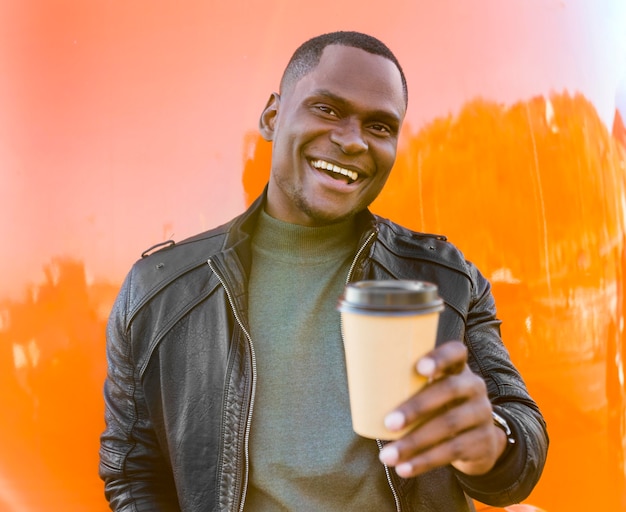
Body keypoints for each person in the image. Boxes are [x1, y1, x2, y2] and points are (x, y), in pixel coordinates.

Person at [99, 31, 548, 512]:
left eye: (379, 127)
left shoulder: (445, 279)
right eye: (327, 109)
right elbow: (131, 471)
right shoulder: (160, 290)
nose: (352, 140)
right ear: (273, 117)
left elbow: (519, 435)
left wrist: (492, 445)